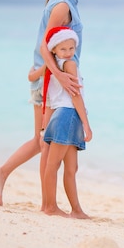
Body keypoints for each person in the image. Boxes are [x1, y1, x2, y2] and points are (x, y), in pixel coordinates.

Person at [0, 0, 89, 207]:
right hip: (49, 81)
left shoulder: (65, 1)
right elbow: (46, 47)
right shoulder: (62, 5)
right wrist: (60, 76)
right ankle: (46, 204)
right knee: (44, 143)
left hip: (49, 78)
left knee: (40, 141)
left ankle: (5, 175)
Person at [41, 26, 92, 218]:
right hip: (69, 115)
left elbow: (49, 97)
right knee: (54, 165)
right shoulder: (69, 66)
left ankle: (76, 210)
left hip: (62, 116)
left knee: (71, 168)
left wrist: (45, 125)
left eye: (71, 48)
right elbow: (75, 95)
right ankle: (50, 207)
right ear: (54, 49)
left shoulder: (54, 67)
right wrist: (86, 124)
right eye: (63, 49)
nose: (69, 53)